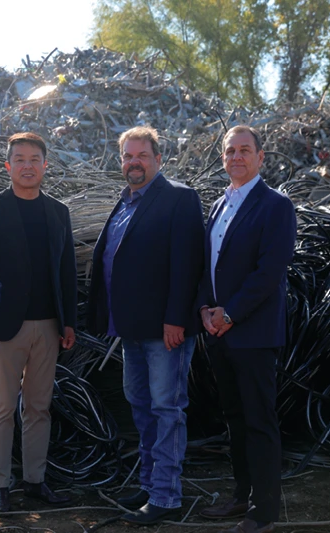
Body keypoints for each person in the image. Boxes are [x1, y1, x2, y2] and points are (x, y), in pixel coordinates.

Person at [86, 126, 205, 525]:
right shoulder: (124, 202)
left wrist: (176, 319)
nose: (133, 162)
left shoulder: (179, 198)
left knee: (166, 409)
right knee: (141, 407)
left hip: (164, 330)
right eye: (127, 156)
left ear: (158, 159)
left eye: (141, 155)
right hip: (130, 330)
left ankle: (167, 497)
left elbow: (186, 264)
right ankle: (150, 482)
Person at [196, 125, 296, 533]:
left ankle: (264, 511)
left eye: (244, 150)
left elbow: (269, 272)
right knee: (234, 418)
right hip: (220, 332)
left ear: (260, 157)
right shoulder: (220, 206)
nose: (236, 157)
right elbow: (208, 264)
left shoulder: (275, 206)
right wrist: (205, 307)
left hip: (252, 334)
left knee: (259, 421)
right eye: (229, 151)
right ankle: (241, 496)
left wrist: (231, 313)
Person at [0, 132, 76, 512]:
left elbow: (65, 271)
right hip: (3, 328)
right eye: (20, 159)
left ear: (45, 165)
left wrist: (69, 322)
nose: (28, 165)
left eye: (35, 159)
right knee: (1, 407)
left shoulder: (58, 212)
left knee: (39, 407)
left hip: (49, 326)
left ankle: (35, 481)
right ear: (8, 165)